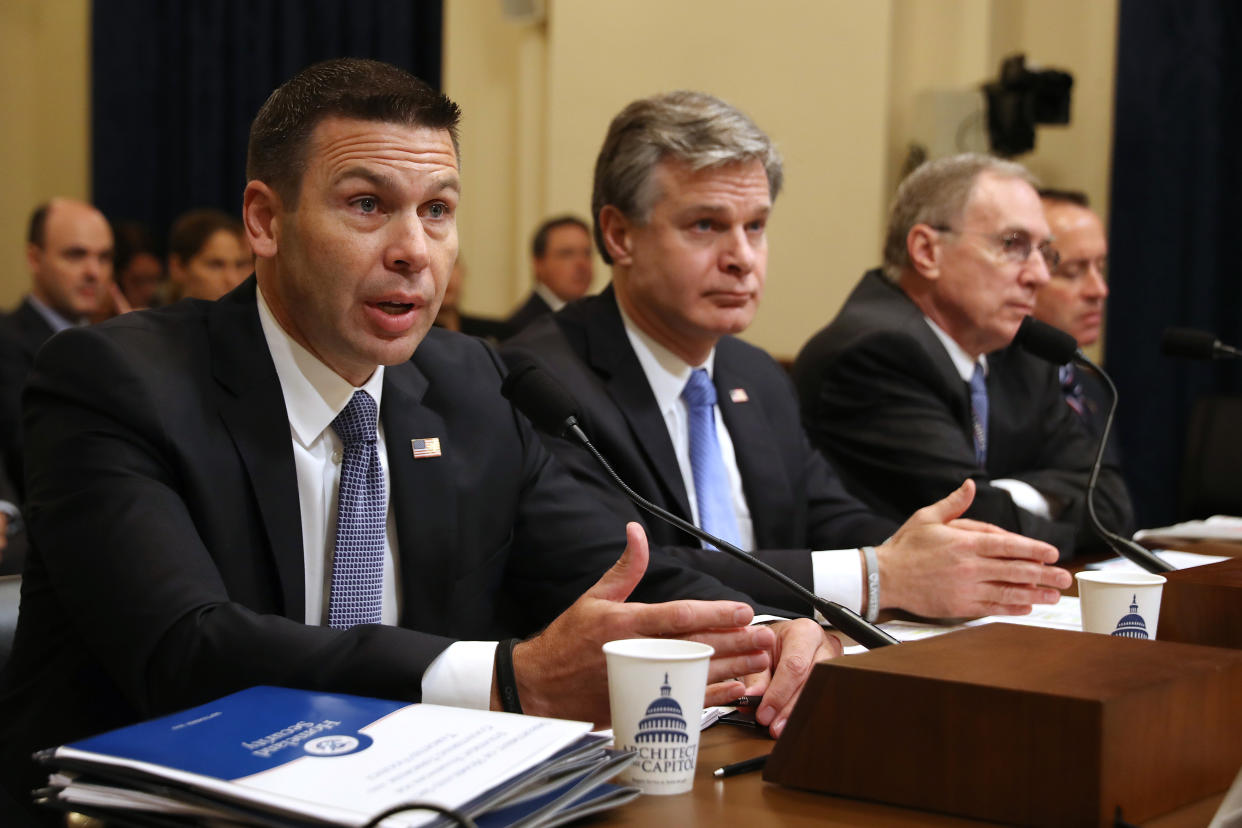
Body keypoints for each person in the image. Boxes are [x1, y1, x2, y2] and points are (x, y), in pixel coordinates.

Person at [0, 59, 832, 815]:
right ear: (265, 219)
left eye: (437, 211)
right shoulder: (115, 381)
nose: (413, 251)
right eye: (367, 205)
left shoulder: (469, 384)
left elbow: (613, 571)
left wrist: (759, 629)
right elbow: (186, 651)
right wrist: (509, 680)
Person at [503, 92, 1069, 625]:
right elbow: (625, 572)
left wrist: (927, 551)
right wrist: (877, 576)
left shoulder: (755, 375)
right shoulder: (545, 382)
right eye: (706, 226)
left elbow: (827, 518)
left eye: (756, 227)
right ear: (620, 235)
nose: (742, 258)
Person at [793, 154, 1134, 560]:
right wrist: (1044, 498)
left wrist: (1012, 495)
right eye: (1013, 245)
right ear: (927, 251)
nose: (1039, 275)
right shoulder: (874, 351)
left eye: (1044, 252)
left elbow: (1112, 506)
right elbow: (978, 522)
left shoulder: (1017, 351)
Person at [0, 199, 114, 500]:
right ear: (34, 259)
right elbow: (30, 455)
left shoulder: (118, 345)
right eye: (76, 255)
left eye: (104, 257)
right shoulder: (6, 340)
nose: (94, 272)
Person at [1033, 189, 1116, 459]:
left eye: (1100, 268)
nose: (1099, 290)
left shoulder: (1093, 387)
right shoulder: (988, 385)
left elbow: (1108, 494)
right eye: (1073, 272)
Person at [505, 215, 594, 334]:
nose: (582, 264)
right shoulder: (521, 329)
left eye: (587, 253)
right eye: (567, 254)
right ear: (538, 264)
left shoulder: (595, 319)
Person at [166, 208, 253, 302]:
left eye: (240, 265)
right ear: (178, 268)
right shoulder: (150, 316)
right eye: (216, 265)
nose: (233, 280)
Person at [434, 256, 513, 341]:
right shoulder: (420, 342)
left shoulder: (494, 334)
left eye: (451, 265)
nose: (446, 276)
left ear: (463, 271)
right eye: (435, 267)